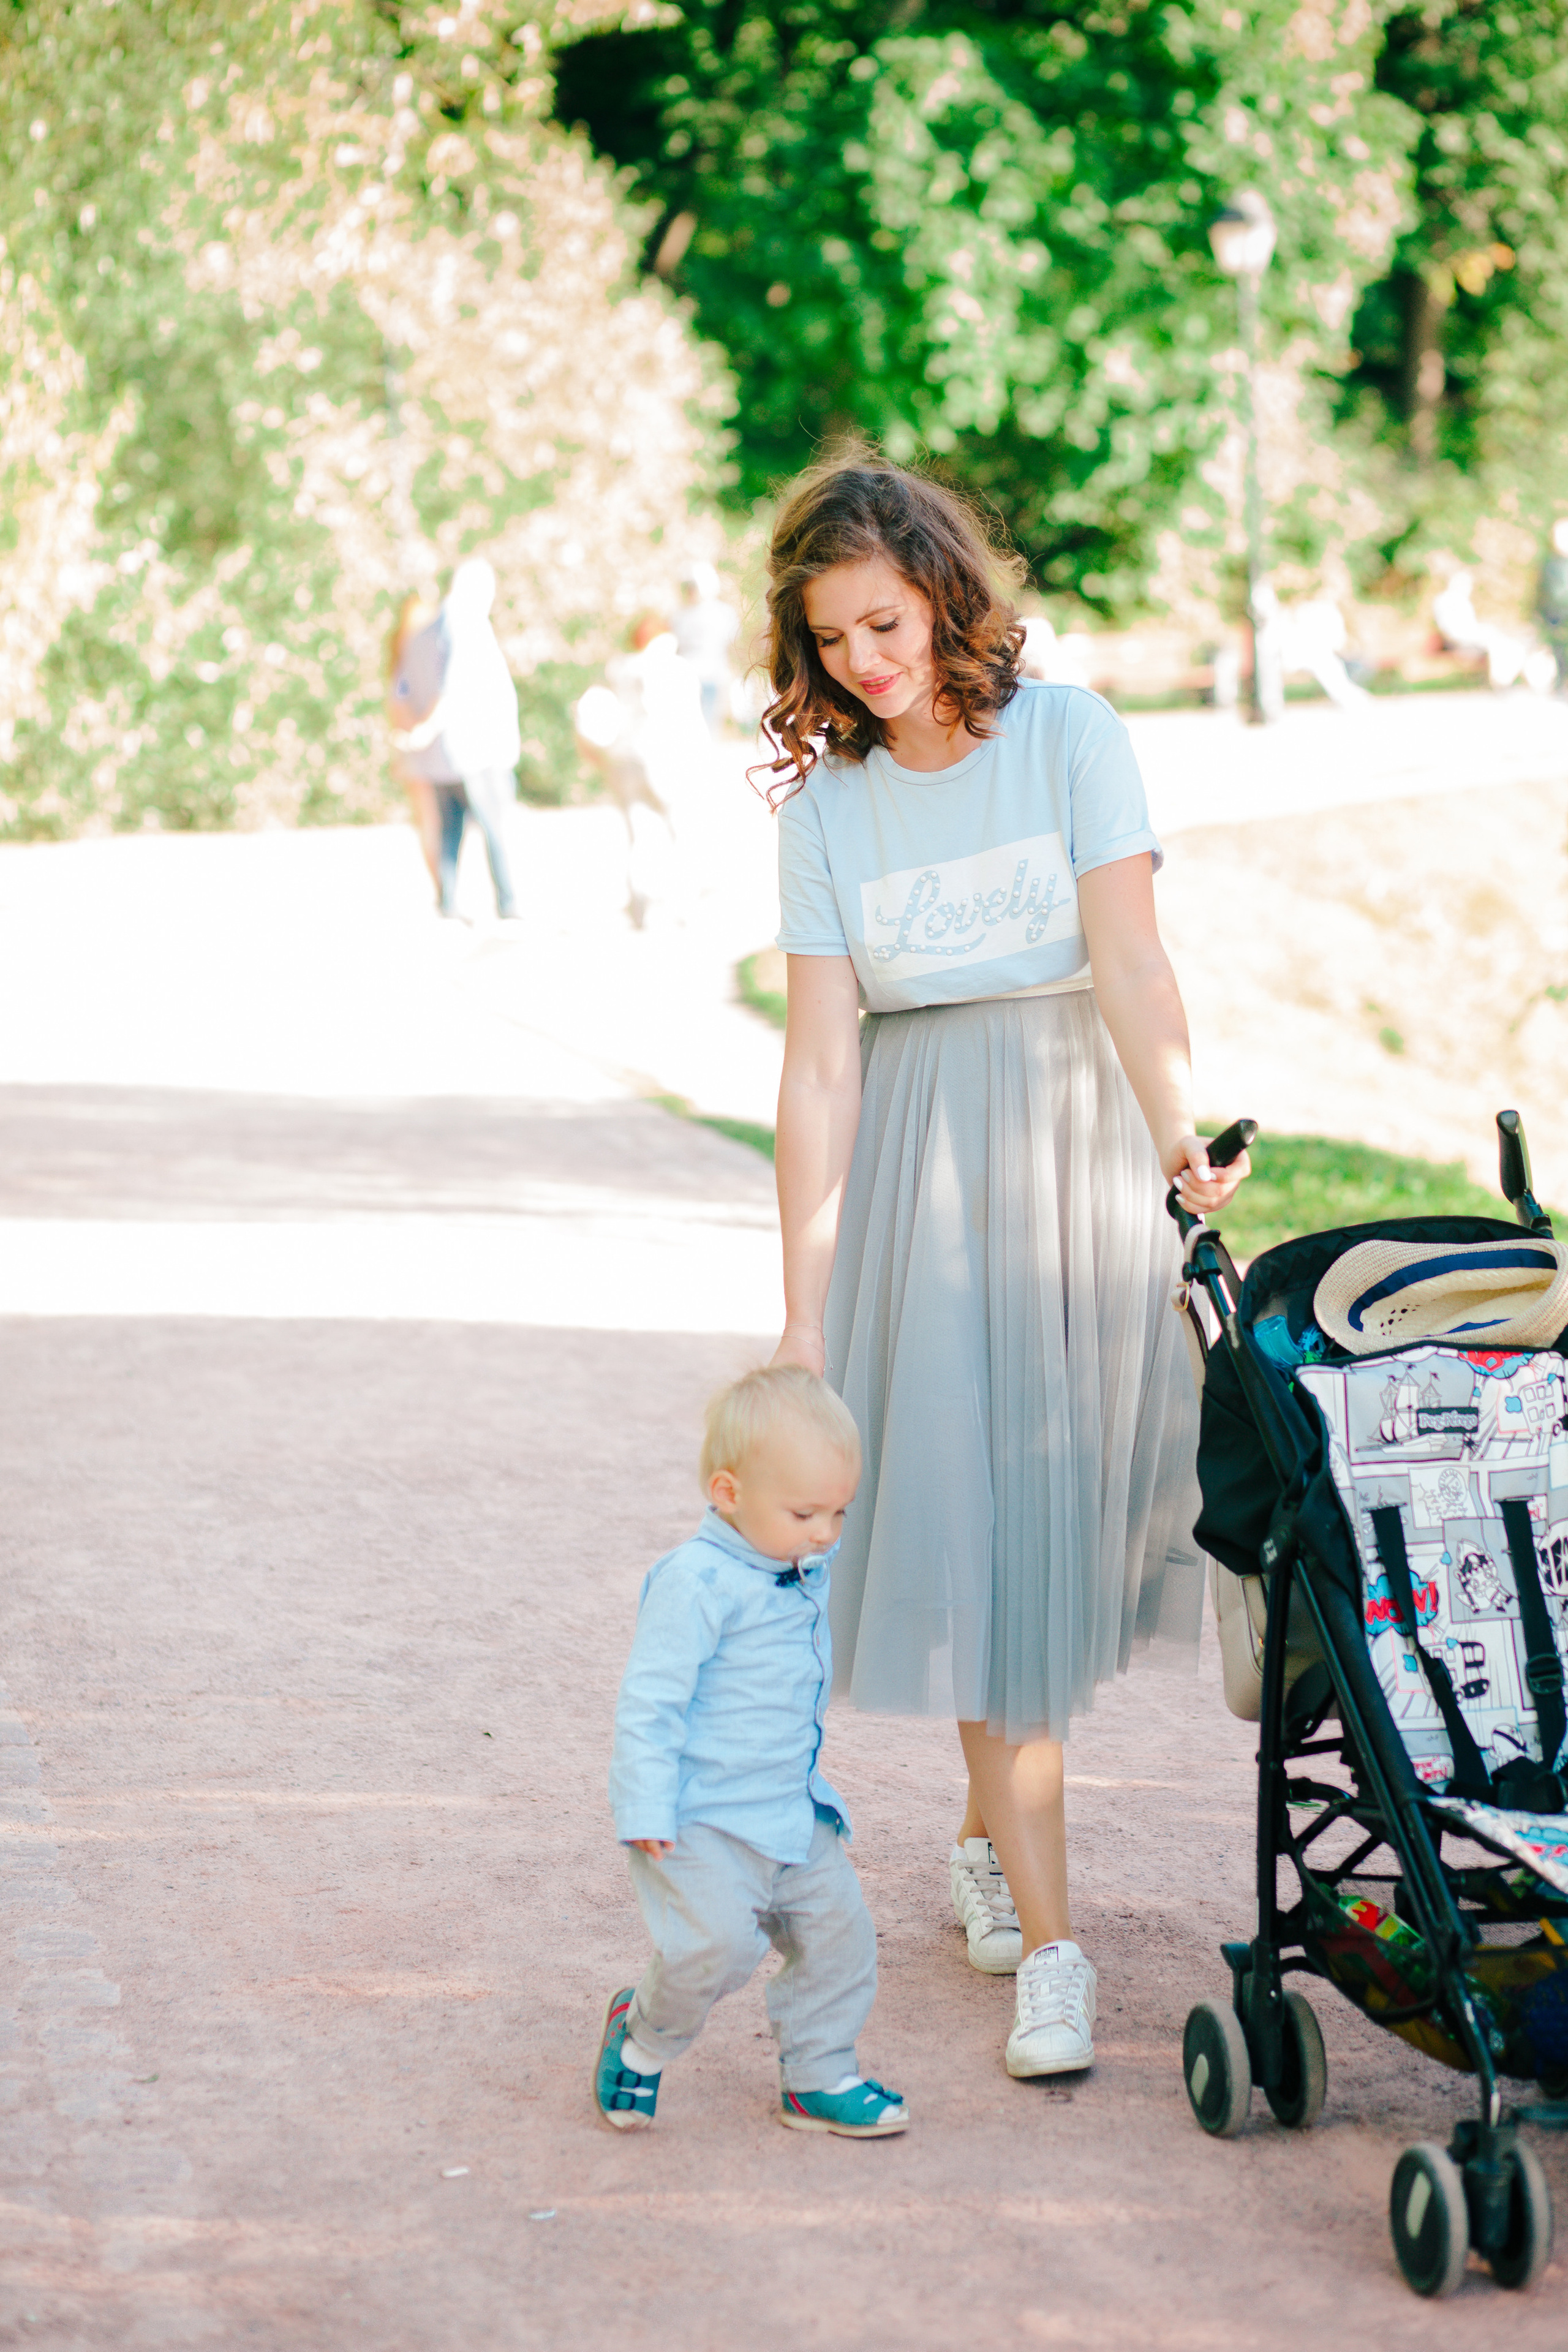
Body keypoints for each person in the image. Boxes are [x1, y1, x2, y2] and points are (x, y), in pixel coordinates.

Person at [761, 453, 1250, 2081]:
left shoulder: (1072, 737)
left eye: (883, 623)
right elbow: (822, 1066)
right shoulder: (825, 812)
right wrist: (802, 1308)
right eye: (832, 642)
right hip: (926, 1183)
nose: (865, 664)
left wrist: (1182, 1139)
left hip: (1076, 1158)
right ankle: (1056, 1948)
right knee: (975, 1545)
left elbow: (1129, 960)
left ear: (943, 591)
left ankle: (984, 1844)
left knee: (1055, 1539)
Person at [596, 1365, 907, 2140]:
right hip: (700, 1820)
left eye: (840, 1511)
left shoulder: (796, 1556)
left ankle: (817, 2075)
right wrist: (642, 1806)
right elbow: (651, 1703)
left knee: (842, 1940)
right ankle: (642, 2036)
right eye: (806, 1511)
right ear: (727, 1494)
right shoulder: (696, 1583)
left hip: (793, 1813)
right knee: (715, 1951)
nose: (828, 1533)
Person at [390, 559, 521, 921]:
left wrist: (417, 731)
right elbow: (455, 689)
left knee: (450, 830)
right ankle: (507, 904)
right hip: (475, 748)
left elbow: (400, 689)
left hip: (439, 756)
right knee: (495, 828)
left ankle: (448, 902)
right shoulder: (466, 626)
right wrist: (429, 727)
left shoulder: (422, 633)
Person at [385, 591, 444, 904]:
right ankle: (442, 889)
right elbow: (399, 707)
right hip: (418, 751)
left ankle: (447, 888)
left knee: (437, 822)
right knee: (429, 822)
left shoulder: (422, 658)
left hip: (433, 750)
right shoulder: (406, 662)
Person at [671, 560, 739, 733]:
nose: (690, 591)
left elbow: (732, 645)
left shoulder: (723, 613)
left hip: (712, 677)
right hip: (686, 677)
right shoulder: (680, 616)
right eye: (688, 587)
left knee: (709, 726)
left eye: (693, 586)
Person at [1537, 517, 1568, 692]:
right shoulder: (1551, 564)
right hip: (1556, 613)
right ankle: (1561, 681)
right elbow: (1545, 592)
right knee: (1559, 648)